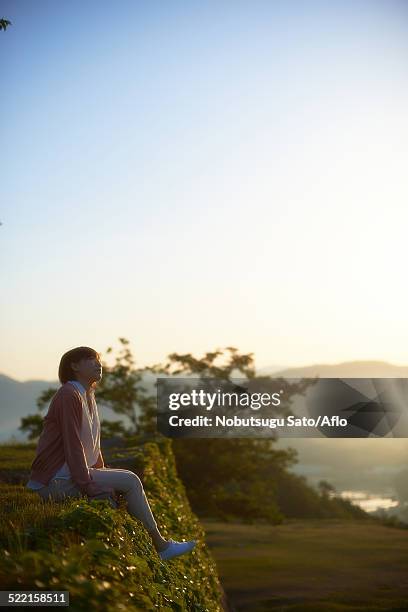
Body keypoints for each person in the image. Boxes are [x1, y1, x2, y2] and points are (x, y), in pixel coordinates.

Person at [26, 346, 196, 562]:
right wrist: (89, 485)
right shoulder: (69, 394)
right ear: (74, 365)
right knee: (131, 480)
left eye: (98, 360)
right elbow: (73, 443)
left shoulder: (86, 394)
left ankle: (156, 546)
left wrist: (103, 474)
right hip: (54, 481)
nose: (99, 364)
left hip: (69, 475)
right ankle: (161, 546)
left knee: (122, 481)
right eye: (90, 359)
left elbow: (93, 446)